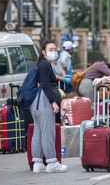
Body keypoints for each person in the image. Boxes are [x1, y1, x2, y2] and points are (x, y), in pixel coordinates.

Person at [30, 40, 67, 173]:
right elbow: (45, 84)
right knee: (48, 133)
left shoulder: (40, 65)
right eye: (51, 49)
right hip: (44, 101)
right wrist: (53, 102)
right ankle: (52, 162)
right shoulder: (45, 65)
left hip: (36, 103)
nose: (54, 52)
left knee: (38, 133)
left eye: (55, 49)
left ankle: (38, 163)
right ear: (43, 52)